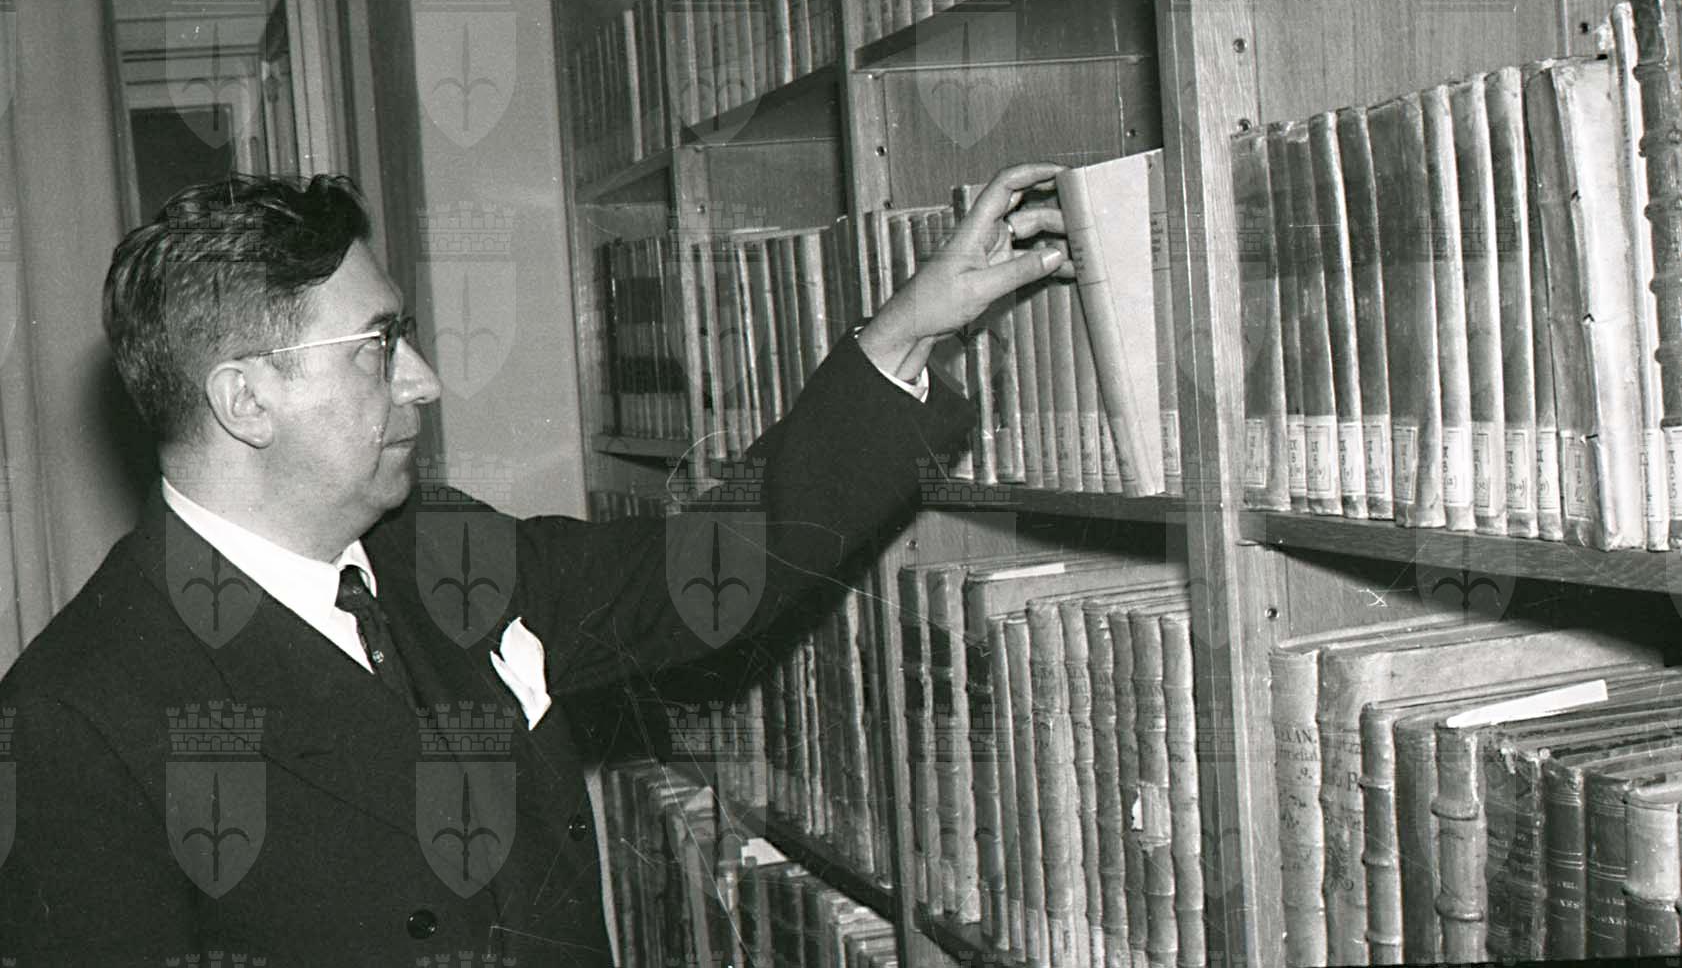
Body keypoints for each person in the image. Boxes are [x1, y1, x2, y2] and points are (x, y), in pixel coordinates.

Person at [0, 164, 1069, 964]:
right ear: (246, 399)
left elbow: (710, 570)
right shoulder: (73, 715)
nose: (423, 380)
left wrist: (906, 333)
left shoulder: (438, 551)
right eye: (377, 346)